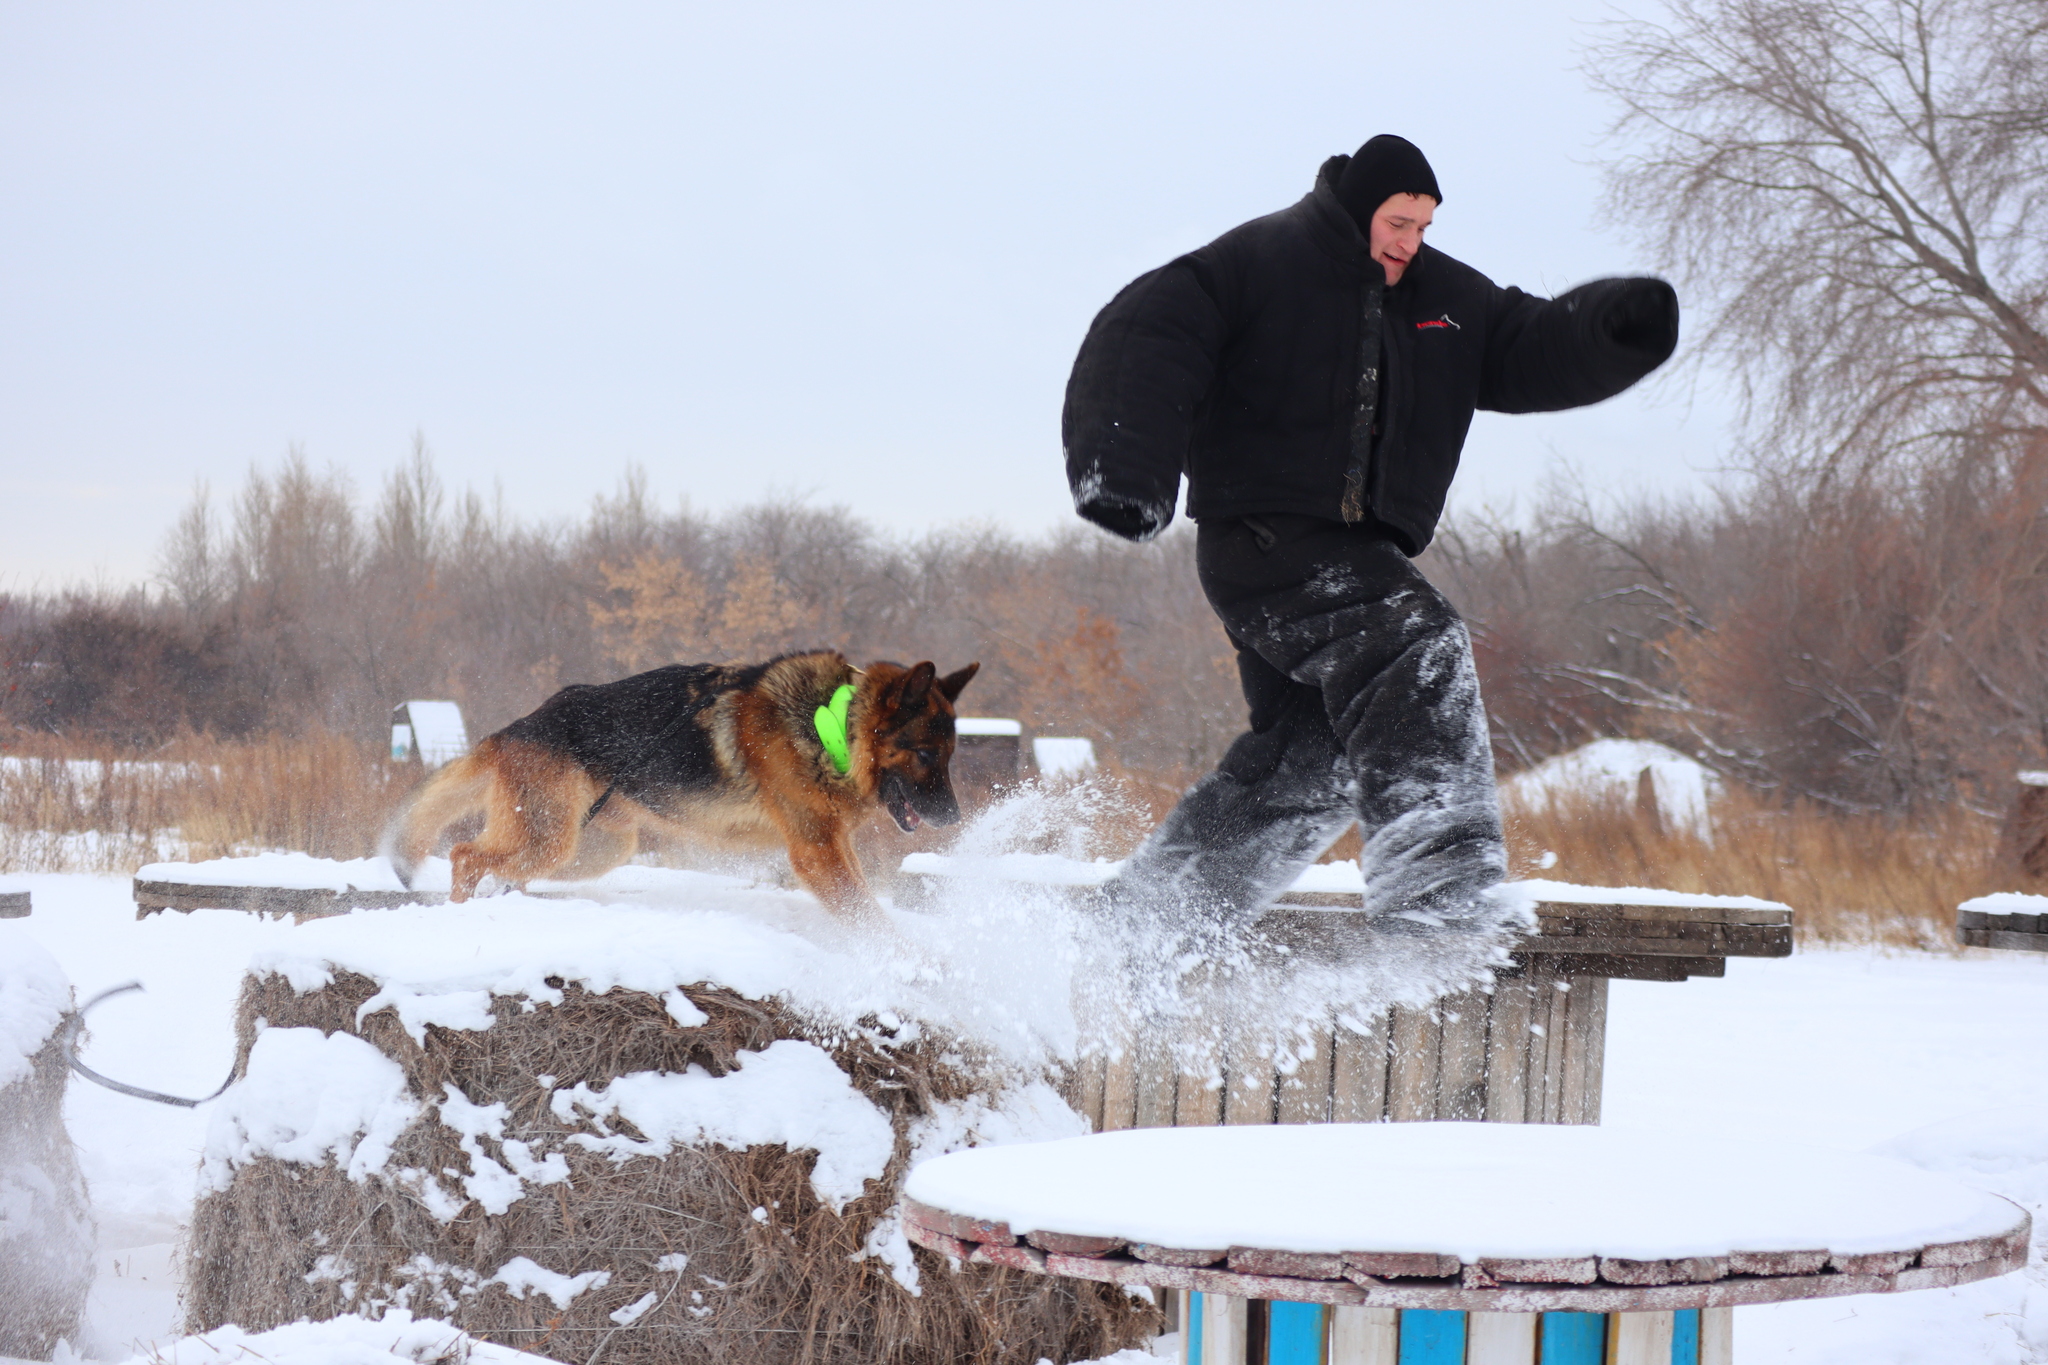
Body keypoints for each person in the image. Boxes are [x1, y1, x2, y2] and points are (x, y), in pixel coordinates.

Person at [1063, 135, 1678, 932]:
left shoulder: (1443, 298)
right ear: (1359, 210)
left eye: (1422, 226)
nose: (1408, 242)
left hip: (1358, 555)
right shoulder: (1263, 262)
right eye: (1396, 221)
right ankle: (1440, 900)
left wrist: (1614, 327)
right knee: (1417, 645)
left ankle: (1140, 931)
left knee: (1311, 765)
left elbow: (1529, 343)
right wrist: (1126, 475)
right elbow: (1152, 329)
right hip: (1266, 541)